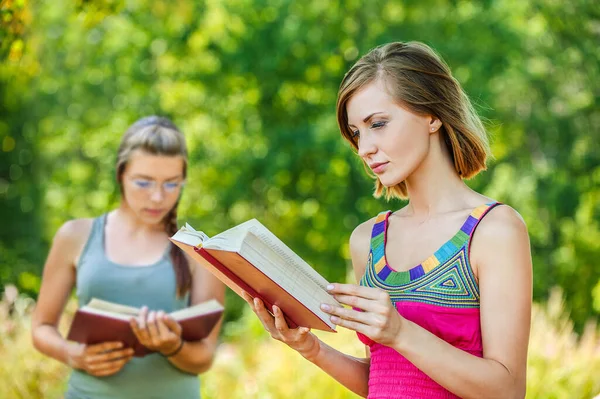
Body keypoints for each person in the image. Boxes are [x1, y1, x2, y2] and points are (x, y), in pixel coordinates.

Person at [243, 42, 532, 398]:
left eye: (377, 124)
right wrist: (311, 349)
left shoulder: (495, 230)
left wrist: (400, 331)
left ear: (432, 115)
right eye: (356, 133)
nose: (364, 147)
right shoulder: (368, 240)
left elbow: (507, 390)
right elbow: (385, 378)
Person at [32, 116, 225, 399]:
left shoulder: (197, 250)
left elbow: (205, 356)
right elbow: (41, 327)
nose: (158, 197)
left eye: (171, 184)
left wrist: (172, 346)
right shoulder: (75, 236)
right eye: (143, 182)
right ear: (121, 174)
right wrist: (75, 355)